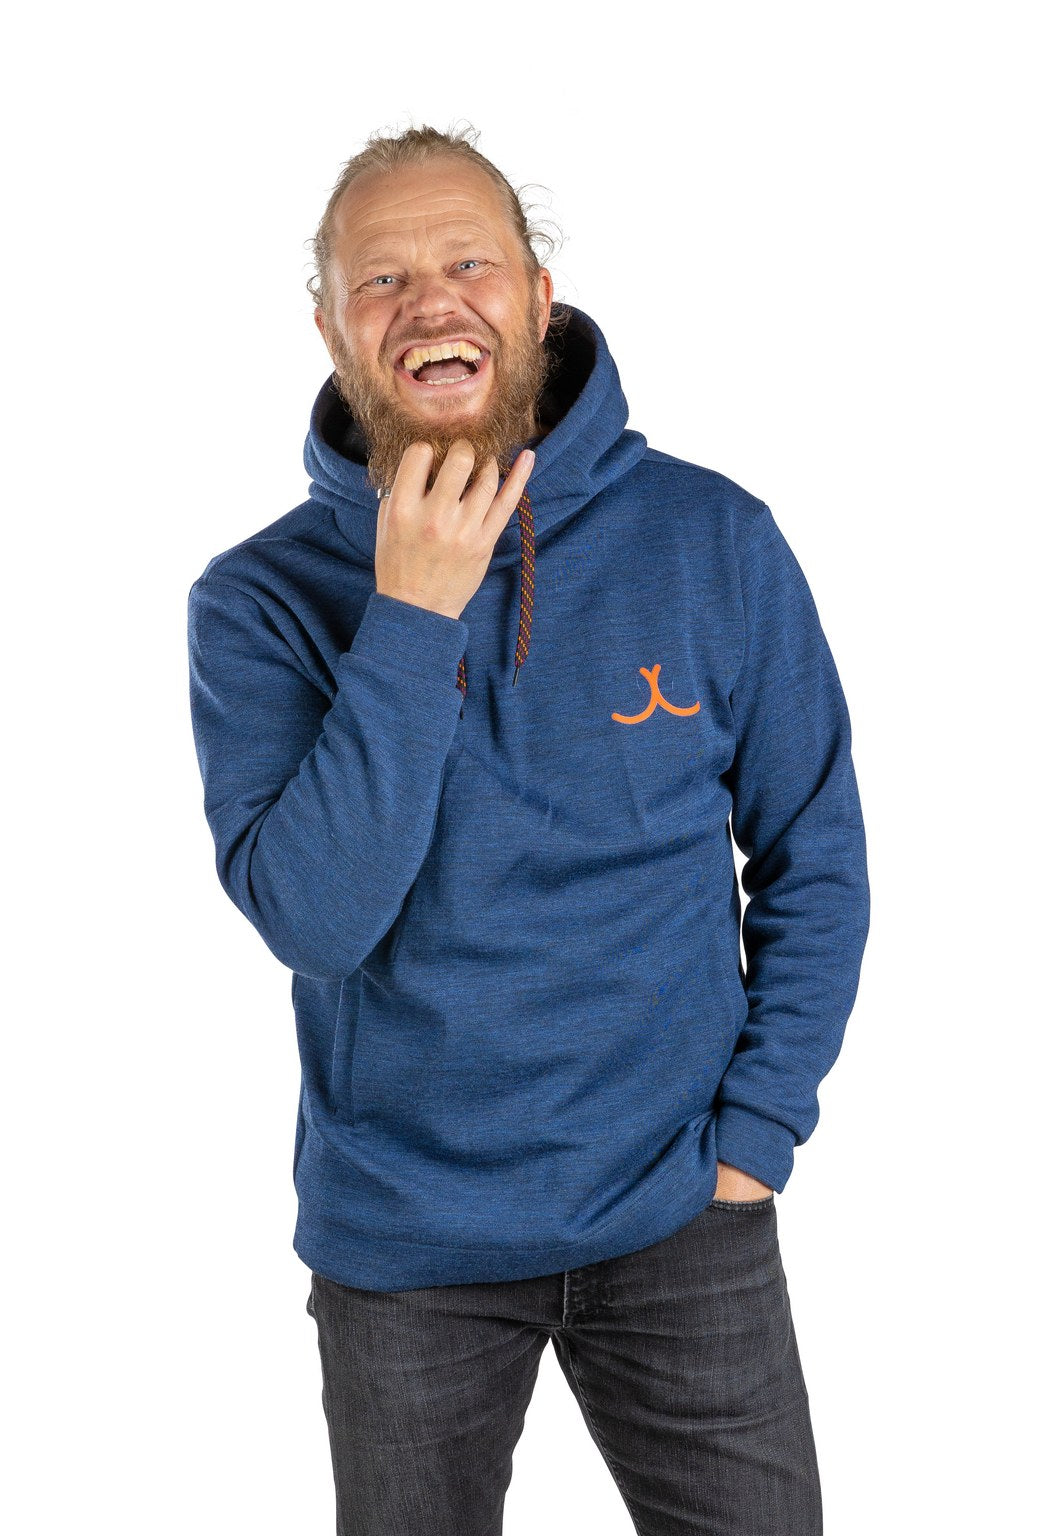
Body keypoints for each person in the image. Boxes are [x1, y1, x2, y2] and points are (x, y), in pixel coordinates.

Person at [186, 123, 870, 1536]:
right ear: (330, 329)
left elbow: (817, 857)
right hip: (406, 1250)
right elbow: (317, 920)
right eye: (380, 279)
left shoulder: (712, 539)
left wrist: (755, 1139)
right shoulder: (255, 603)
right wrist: (410, 617)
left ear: (538, 298)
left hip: (682, 1213)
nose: (428, 303)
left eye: (468, 264)